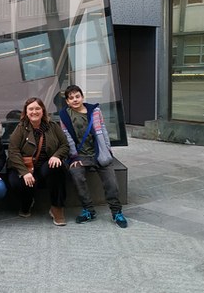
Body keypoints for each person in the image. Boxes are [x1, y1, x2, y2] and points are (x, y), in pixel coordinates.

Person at [59, 85, 128, 228]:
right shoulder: (64, 115)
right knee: (76, 175)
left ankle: (116, 212)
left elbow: (103, 130)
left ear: (82, 97)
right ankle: (88, 210)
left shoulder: (95, 111)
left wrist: (107, 150)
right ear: (67, 101)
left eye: (77, 96)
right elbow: (67, 137)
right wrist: (74, 158)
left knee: (111, 183)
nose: (75, 100)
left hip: (99, 153)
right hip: (80, 156)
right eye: (71, 98)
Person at [7, 97, 69, 225]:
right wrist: (24, 172)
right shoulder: (20, 128)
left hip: (45, 166)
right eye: (31, 109)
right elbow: (13, 152)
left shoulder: (53, 126)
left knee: (57, 168)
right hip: (26, 166)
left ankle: (57, 208)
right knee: (16, 182)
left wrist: (56, 156)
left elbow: (65, 145)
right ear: (26, 111)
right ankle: (27, 202)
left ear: (43, 111)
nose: (34, 112)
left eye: (37, 108)